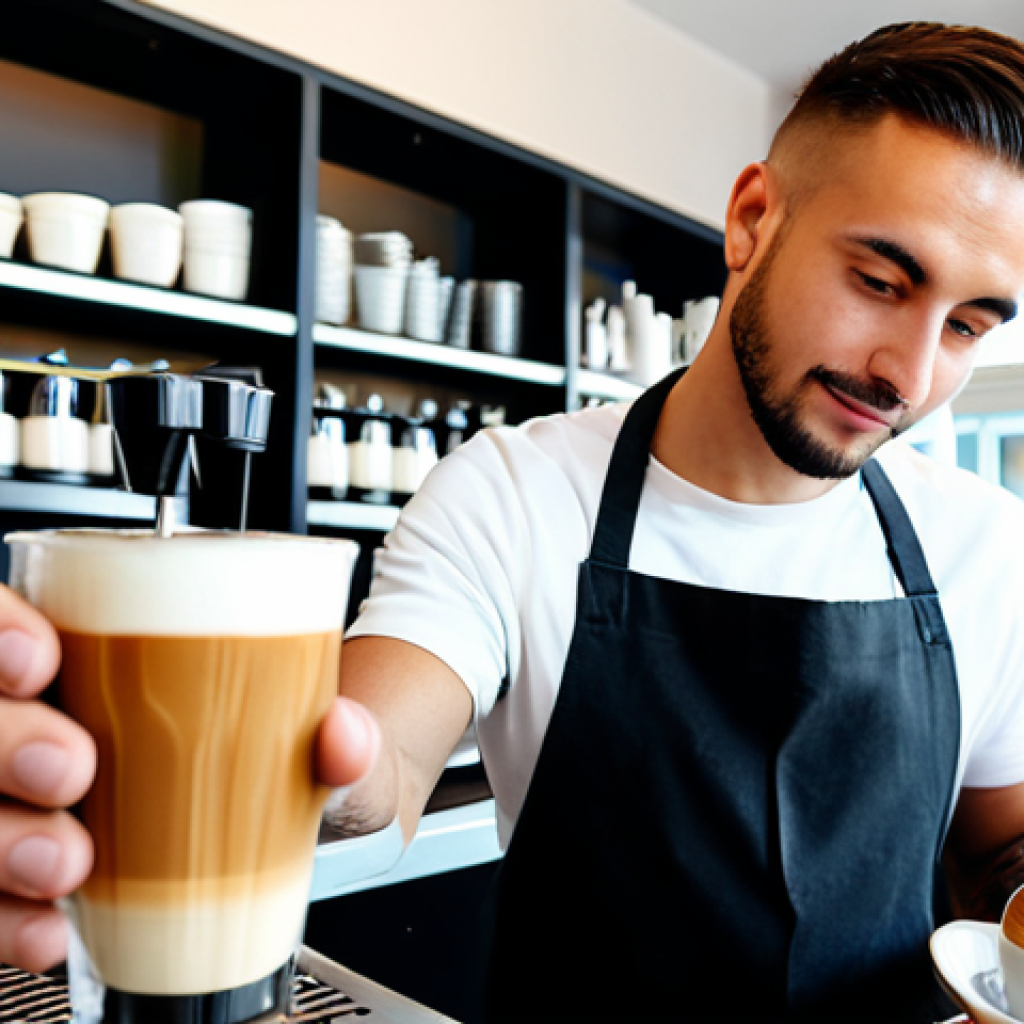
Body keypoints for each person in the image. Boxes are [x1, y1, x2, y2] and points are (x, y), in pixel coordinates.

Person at [6, 18, 1024, 1023]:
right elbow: (383, 758)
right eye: (879, 282)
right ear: (752, 219)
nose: (910, 372)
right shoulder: (510, 491)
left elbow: (999, 854)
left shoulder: (986, 542)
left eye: (969, 326)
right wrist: (225, 739)